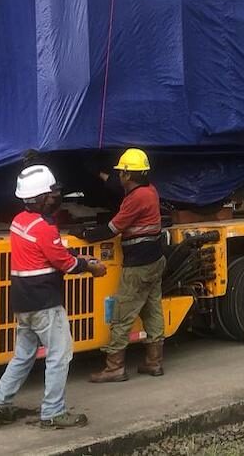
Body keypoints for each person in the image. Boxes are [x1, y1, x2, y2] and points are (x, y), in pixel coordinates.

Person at [0, 164, 107, 429]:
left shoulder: (19, 221)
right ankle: (53, 412)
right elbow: (66, 264)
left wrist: (74, 258)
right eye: (52, 194)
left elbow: (49, 256)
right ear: (39, 198)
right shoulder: (44, 227)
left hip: (22, 300)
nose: (56, 198)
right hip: (44, 302)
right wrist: (91, 266)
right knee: (60, 354)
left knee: (23, 355)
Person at [82, 148, 166, 382]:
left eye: (121, 172)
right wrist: (99, 173)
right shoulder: (150, 190)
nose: (118, 175)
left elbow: (113, 228)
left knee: (122, 315)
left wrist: (87, 234)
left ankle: (114, 368)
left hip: (138, 264)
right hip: (155, 260)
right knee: (152, 311)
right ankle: (154, 362)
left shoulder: (137, 198)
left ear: (128, 175)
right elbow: (117, 187)